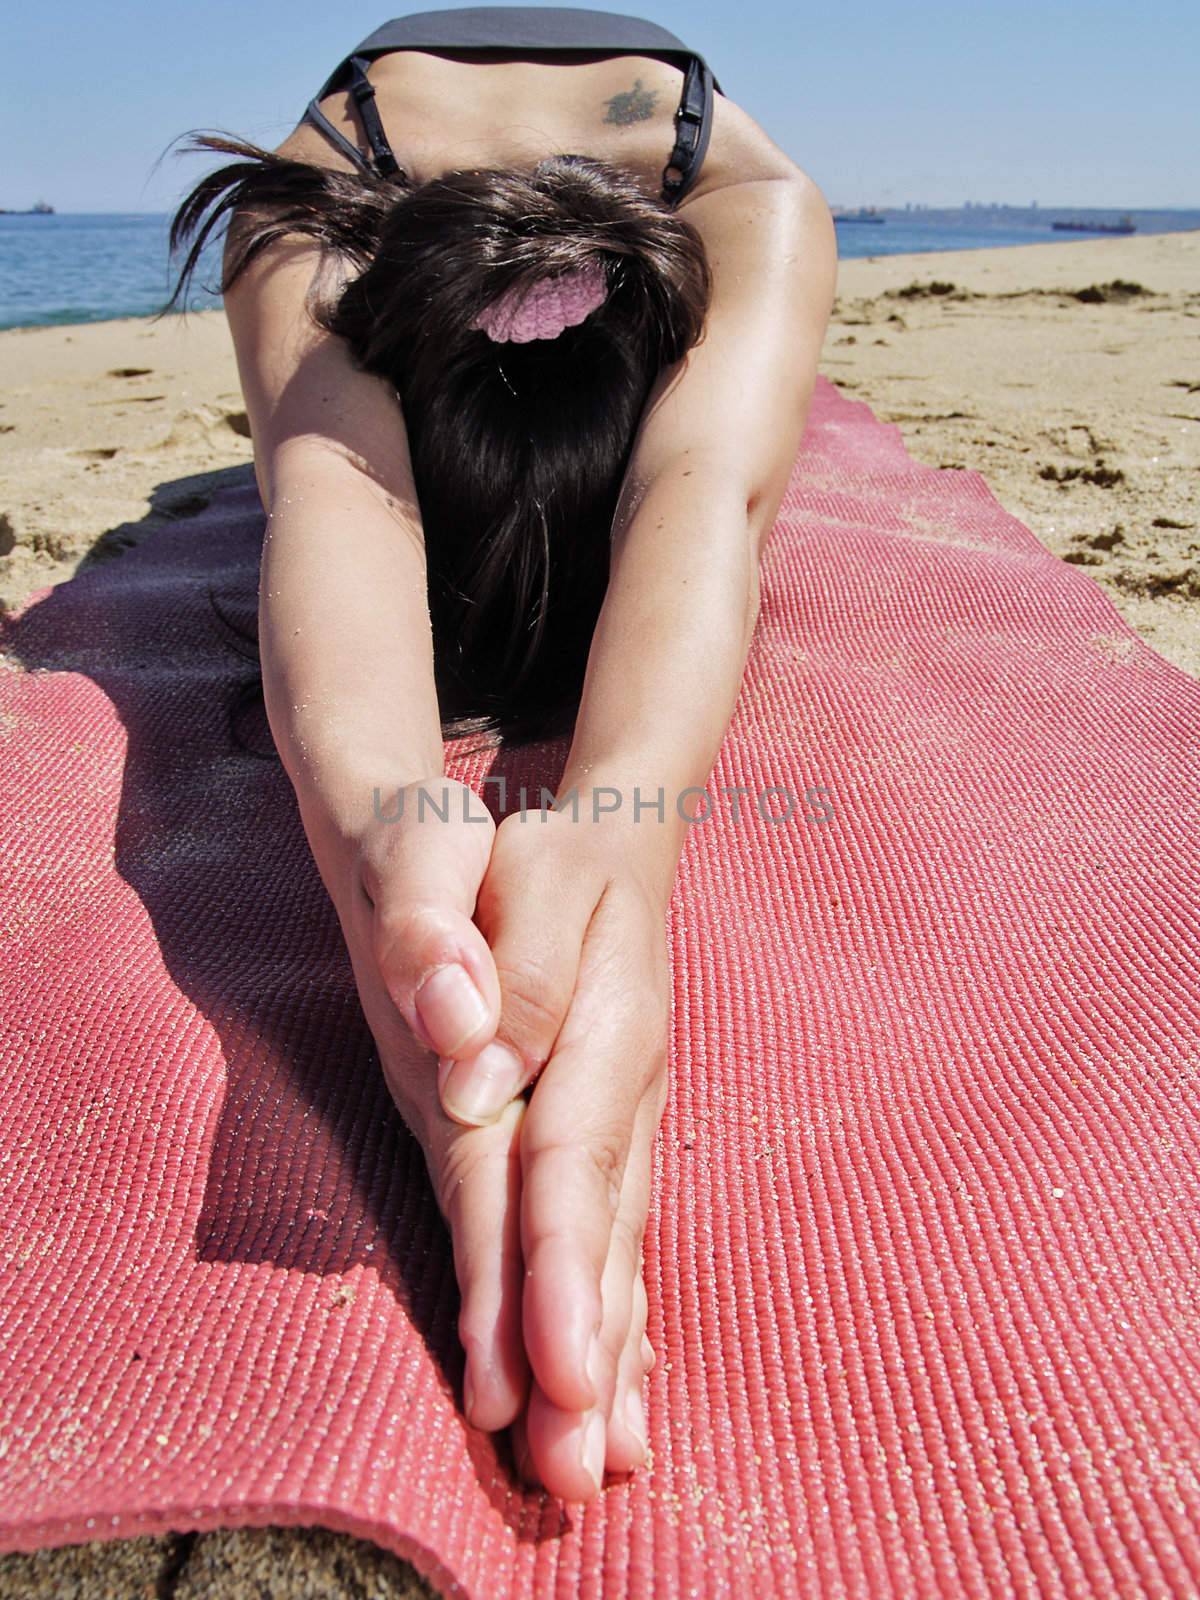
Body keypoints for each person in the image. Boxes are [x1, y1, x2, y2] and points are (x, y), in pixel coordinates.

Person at [163, 5, 837, 1504]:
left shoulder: (754, 199)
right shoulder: (310, 203)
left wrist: (619, 845)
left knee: (767, 420)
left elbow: (703, 492)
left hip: (658, 184)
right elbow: (339, 503)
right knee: (301, 439)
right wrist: (386, 871)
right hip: (379, 169)